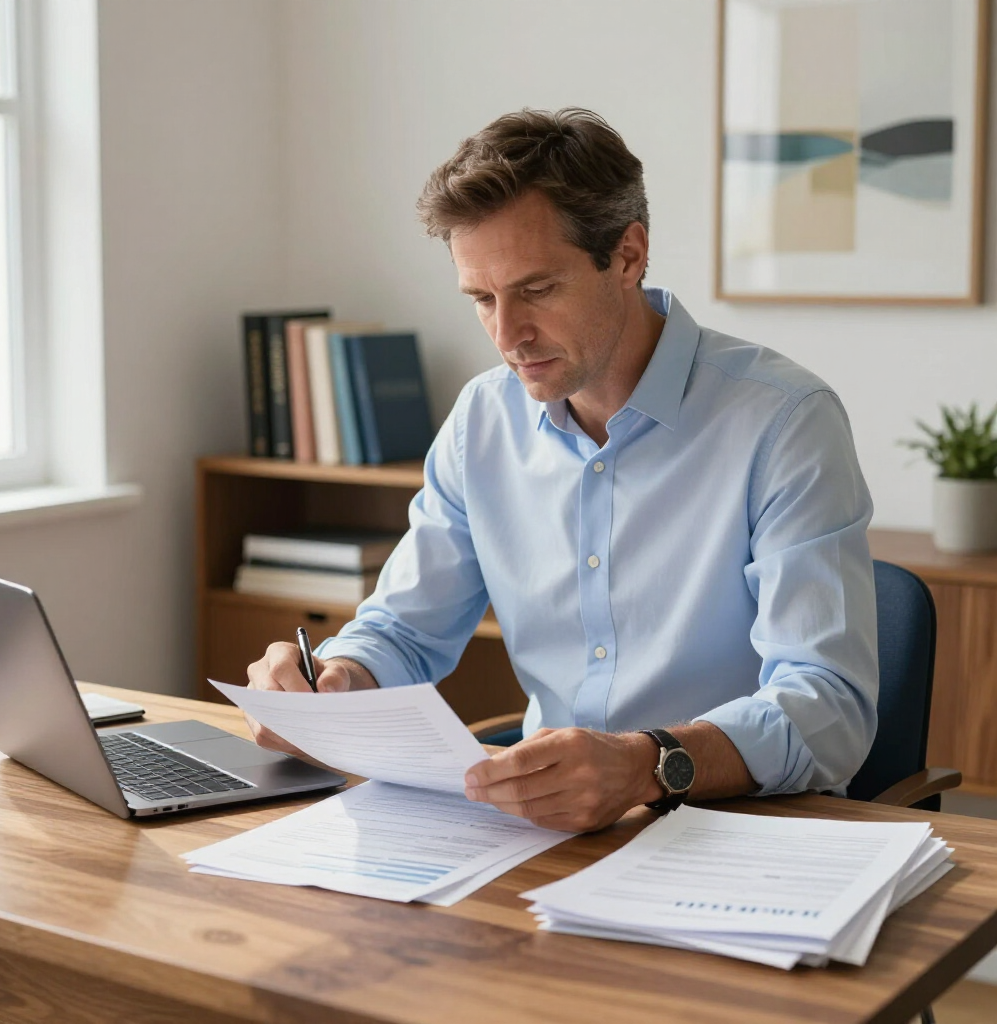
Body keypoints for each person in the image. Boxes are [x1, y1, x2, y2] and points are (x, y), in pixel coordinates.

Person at [244, 108, 879, 833]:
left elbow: (829, 708)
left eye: (537, 290)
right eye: (482, 299)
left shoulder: (785, 421)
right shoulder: (481, 422)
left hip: (738, 828)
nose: (507, 335)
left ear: (629, 256)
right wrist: (333, 682)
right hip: (546, 832)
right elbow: (404, 632)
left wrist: (645, 763)